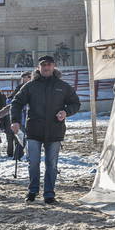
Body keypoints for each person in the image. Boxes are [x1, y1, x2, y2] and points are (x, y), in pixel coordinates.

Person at [11, 55, 81, 205]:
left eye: (49, 65)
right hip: (34, 131)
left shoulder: (62, 86)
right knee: (33, 162)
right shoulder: (30, 86)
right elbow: (16, 103)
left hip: (55, 131)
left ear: (54, 66)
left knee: (51, 165)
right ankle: (33, 190)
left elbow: (75, 103)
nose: (46, 67)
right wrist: (15, 121)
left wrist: (66, 112)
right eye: (43, 65)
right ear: (38, 67)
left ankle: (49, 194)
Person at [6, 71, 32, 159]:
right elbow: (10, 101)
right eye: (28, 77)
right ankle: (17, 156)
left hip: (30, 118)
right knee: (22, 139)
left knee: (28, 139)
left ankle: (25, 156)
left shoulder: (33, 87)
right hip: (21, 118)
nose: (30, 78)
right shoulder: (19, 88)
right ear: (24, 78)